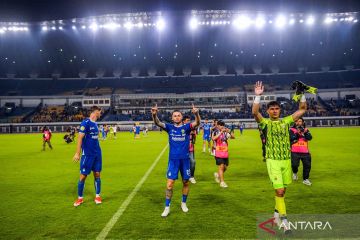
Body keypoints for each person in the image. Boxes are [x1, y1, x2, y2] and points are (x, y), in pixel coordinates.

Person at [252, 81, 307, 234]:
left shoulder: (287, 121)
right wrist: (257, 97)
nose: (275, 111)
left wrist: (301, 93)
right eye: (272, 109)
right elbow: (255, 113)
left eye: (277, 109)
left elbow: (302, 108)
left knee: (282, 192)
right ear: (268, 111)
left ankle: (276, 214)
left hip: (286, 160)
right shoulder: (265, 124)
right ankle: (284, 222)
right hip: (273, 160)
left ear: (280, 110)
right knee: (280, 191)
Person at [151, 104, 200, 217]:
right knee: (169, 184)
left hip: (185, 160)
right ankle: (167, 207)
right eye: (175, 116)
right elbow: (158, 123)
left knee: (185, 182)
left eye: (179, 115)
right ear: (172, 118)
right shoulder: (169, 127)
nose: (177, 117)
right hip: (173, 161)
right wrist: (154, 115)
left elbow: (197, 123)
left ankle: (183, 203)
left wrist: (196, 114)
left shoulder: (187, 127)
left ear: (181, 117)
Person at [72, 106, 103, 207]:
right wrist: (77, 153)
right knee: (83, 176)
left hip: (97, 154)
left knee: (97, 174)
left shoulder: (95, 124)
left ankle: (98, 196)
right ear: (95, 112)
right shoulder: (86, 123)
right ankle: (80, 198)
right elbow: (80, 138)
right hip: (87, 155)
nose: (100, 113)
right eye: (99, 111)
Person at [290, 118, 313, 186]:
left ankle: (305, 179)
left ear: (303, 122)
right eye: (296, 121)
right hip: (294, 151)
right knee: (294, 165)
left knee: (307, 166)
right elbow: (291, 138)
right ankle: (294, 173)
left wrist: (305, 132)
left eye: (300, 121)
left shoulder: (306, 130)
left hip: (305, 152)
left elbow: (309, 138)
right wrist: (298, 133)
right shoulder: (291, 130)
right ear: (294, 122)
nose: (298, 122)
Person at [212, 120, 234, 188]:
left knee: (225, 167)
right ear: (217, 126)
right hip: (218, 152)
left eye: (223, 125)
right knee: (221, 166)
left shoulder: (225, 133)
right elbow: (213, 138)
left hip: (225, 153)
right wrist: (220, 132)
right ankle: (222, 182)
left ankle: (218, 175)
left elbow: (233, 137)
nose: (222, 126)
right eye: (220, 125)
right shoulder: (215, 132)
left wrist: (229, 131)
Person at [183, 115, 197, 184]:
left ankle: (191, 176)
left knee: (193, 162)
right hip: (183, 149)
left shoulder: (192, 127)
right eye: (187, 120)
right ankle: (185, 176)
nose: (189, 122)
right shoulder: (182, 128)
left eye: (189, 120)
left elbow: (194, 136)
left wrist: (194, 135)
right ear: (184, 121)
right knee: (183, 163)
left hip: (190, 148)